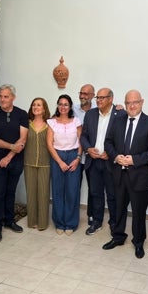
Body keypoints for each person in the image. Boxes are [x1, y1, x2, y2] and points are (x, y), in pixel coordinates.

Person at [102, 90, 148, 259]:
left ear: (142, 102)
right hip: (119, 175)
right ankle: (118, 237)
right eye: (128, 103)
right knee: (118, 208)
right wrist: (116, 156)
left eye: (135, 102)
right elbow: (108, 142)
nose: (132, 106)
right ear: (125, 104)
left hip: (140, 176)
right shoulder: (117, 121)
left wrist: (134, 160)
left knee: (138, 212)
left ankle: (139, 242)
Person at [0, 84, 28, 243]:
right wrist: (11, 147)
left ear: (13, 98)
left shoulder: (22, 114)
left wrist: (9, 156)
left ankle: (9, 220)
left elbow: (23, 139)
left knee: (11, 192)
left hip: (15, 161)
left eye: (6, 96)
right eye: (1, 96)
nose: (2, 99)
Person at [80, 88, 126, 235]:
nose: (98, 100)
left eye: (102, 98)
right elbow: (83, 136)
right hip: (93, 162)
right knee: (95, 193)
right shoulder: (90, 114)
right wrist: (88, 149)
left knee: (112, 195)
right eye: (97, 98)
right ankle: (97, 221)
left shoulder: (121, 114)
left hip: (111, 163)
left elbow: (124, 140)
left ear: (110, 99)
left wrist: (112, 154)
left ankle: (114, 223)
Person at [47, 94, 82, 235]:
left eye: (66, 104)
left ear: (70, 106)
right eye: (60, 104)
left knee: (72, 191)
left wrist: (78, 158)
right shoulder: (51, 122)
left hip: (73, 156)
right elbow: (49, 144)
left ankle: (71, 223)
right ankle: (60, 222)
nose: (63, 107)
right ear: (57, 105)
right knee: (58, 190)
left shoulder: (76, 121)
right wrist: (60, 161)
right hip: (57, 157)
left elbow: (81, 141)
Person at [24, 97, 51, 231]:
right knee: (31, 193)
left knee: (43, 193)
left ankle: (42, 223)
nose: (36, 107)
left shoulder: (50, 125)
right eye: (34, 105)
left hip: (45, 164)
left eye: (39, 105)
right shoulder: (26, 124)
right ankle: (32, 221)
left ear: (44, 108)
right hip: (28, 162)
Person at [73, 84, 96, 226]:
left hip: (91, 156)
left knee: (93, 187)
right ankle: (72, 213)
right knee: (74, 186)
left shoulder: (97, 110)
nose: (82, 96)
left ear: (93, 95)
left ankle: (92, 215)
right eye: (81, 93)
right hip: (75, 156)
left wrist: (119, 108)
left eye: (86, 94)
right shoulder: (73, 109)